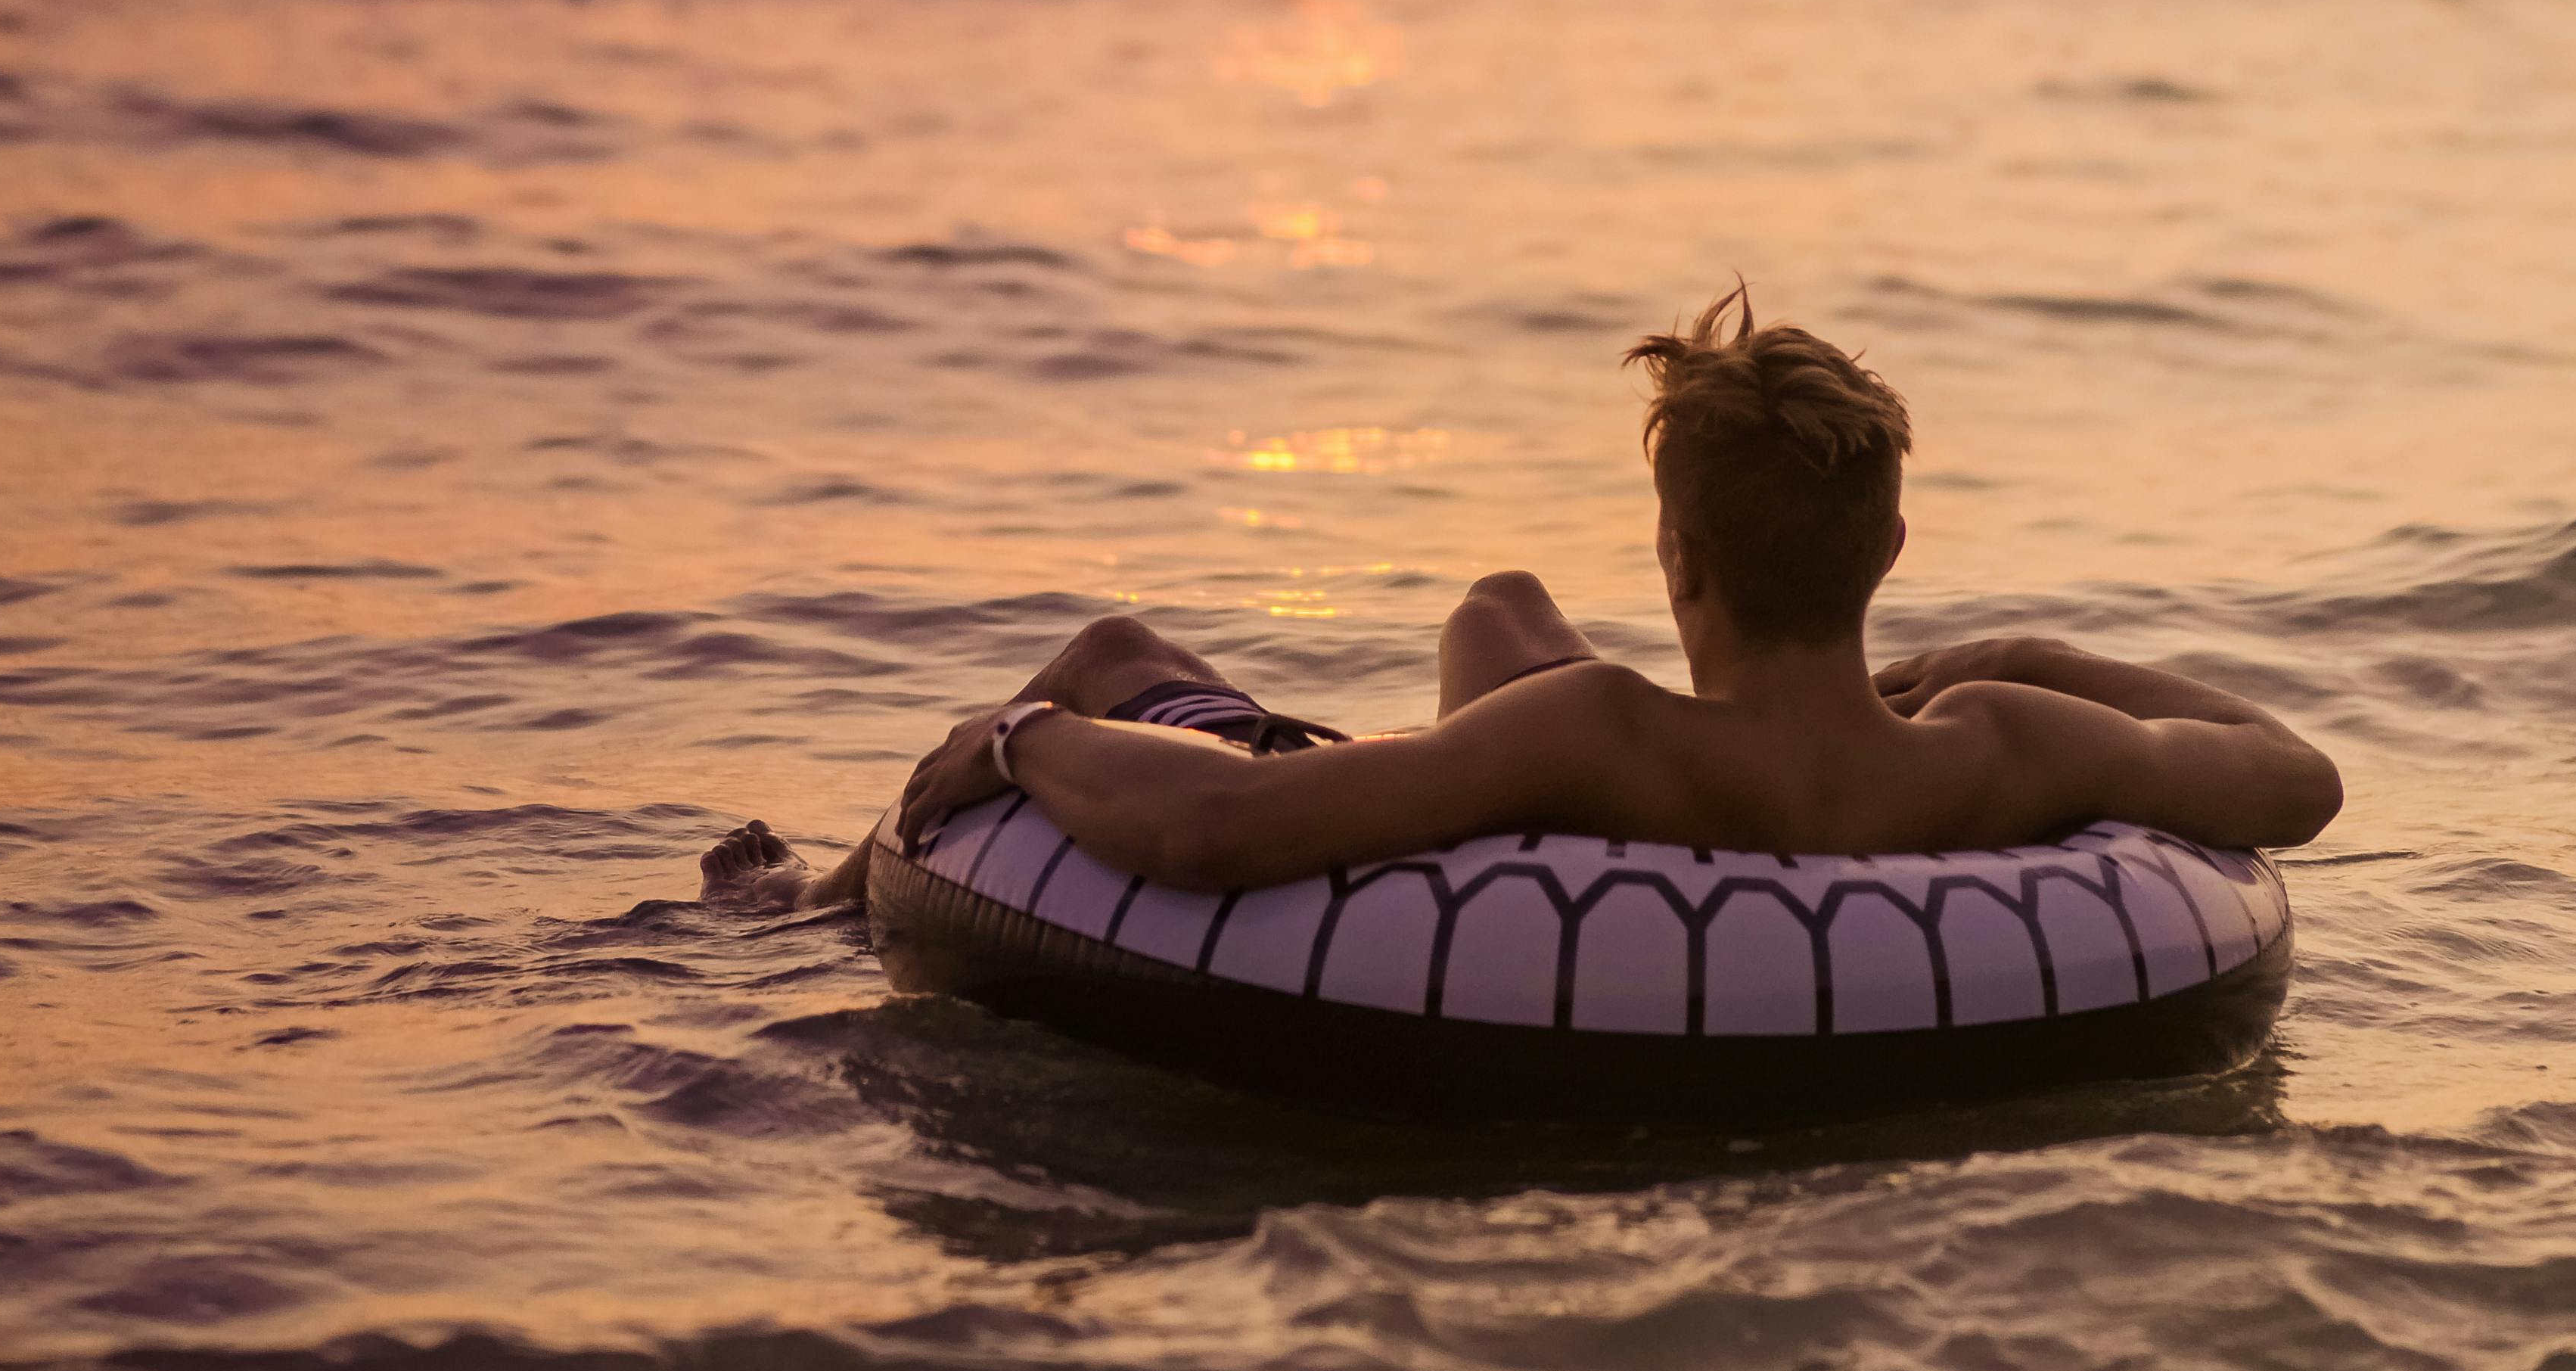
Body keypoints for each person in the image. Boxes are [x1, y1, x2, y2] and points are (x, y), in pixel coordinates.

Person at [701, 287, 2341, 913]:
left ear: (1678, 560)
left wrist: (1018, 735)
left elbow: (1210, 836)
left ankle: (817, 896)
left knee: (1126, 651)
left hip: (1574, 806)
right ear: (1888, 558)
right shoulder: (1998, 744)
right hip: (1840, 749)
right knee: (1497, 605)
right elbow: (2293, 774)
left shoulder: (1602, 735)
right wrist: (2019, 652)